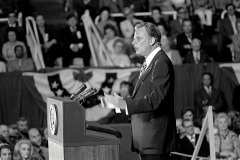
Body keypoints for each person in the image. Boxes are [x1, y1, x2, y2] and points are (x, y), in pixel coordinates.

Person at [103, 22, 178, 160]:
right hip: (147, 138)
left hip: (155, 139)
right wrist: (120, 103)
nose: (133, 42)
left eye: (138, 38)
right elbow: (143, 96)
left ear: (152, 40)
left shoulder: (161, 62)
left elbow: (155, 99)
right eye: (133, 38)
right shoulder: (149, 61)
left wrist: (124, 104)